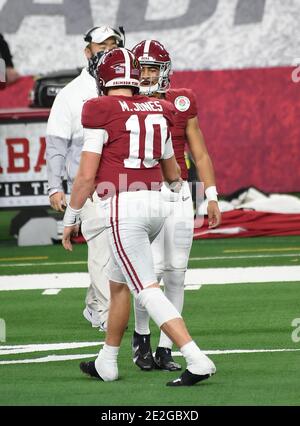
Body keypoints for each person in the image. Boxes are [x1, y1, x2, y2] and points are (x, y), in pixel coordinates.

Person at [62, 47, 217, 386]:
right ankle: (107, 361)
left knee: (146, 288)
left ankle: (196, 357)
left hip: (123, 205)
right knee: (119, 285)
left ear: (104, 77)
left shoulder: (98, 108)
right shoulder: (161, 108)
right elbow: (173, 171)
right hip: (159, 203)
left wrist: (70, 216)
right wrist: (181, 198)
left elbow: (86, 176)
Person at [130, 40, 222, 371]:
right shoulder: (123, 102)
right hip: (140, 191)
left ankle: (165, 347)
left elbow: (199, 153)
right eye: (141, 69)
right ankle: (140, 338)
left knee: (176, 273)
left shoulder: (182, 101)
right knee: (147, 271)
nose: (146, 75)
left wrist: (211, 195)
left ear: (165, 71)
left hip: (178, 191)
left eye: (153, 68)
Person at [46, 25, 125, 331]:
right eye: (100, 46)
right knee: (102, 246)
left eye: (112, 45)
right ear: (87, 51)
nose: (105, 50)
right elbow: (56, 143)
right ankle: (106, 312)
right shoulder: (71, 94)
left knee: (119, 249)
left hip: (123, 183)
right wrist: (54, 186)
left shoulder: (126, 89)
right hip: (89, 185)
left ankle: (94, 305)